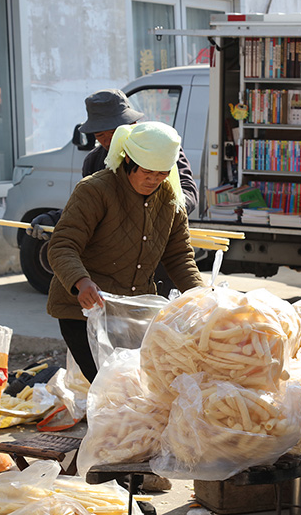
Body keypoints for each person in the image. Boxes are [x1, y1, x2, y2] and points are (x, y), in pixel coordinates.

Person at [46, 121, 205, 383]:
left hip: (133, 312)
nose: (153, 180)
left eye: (162, 173)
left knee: (138, 390)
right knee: (112, 387)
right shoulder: (95, 190)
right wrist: (81, 282)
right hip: (85, 312)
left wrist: (202, 298)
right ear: (129, 160)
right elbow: (63, 244)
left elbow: (179, 256)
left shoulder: (169, 199)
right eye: (147, 172)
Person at [29, 89, 198, 297]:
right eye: (101, 135)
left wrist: (158, 211)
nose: (109, 141)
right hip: (105, 275)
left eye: (114, 132)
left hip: (151, 263)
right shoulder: (94, 162)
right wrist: (55, 217)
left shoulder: (159, 149)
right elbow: (85, 210)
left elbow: (186, 195)